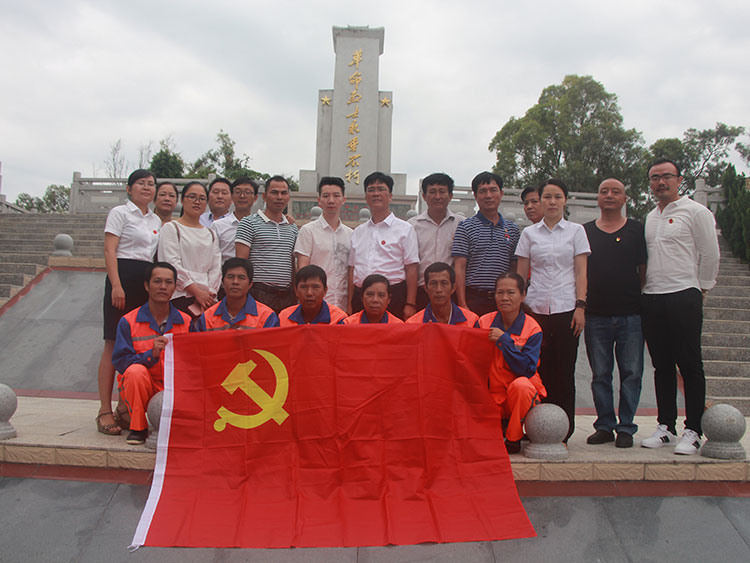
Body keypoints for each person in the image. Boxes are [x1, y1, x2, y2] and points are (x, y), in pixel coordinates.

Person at [640, 158, 720, 455]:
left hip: (684, 293)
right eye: (655, 178)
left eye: (666, 176)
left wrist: (703, 286)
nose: (660, 182)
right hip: (653, 296)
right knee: (661, 365)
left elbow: (710, 253)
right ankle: (666, 426)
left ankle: (694, 429)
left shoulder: (696, 212)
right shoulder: (650, 217)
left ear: (679, 179)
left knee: (689, 364)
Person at [516, 179, 590, 441]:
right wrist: (519, 310)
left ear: (564, 200)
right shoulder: (529, 234)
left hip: (567, 308)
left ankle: (564, 430)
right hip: (536, 310)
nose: (551, 202)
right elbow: (521, 275)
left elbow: (581, 272)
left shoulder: (576, 231)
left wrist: (580, 306)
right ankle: (536, 427)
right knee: (538, 369)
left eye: (557, 196)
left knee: (564, 370)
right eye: (546, 197)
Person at [97, 169, 161, 436]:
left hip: (144, 282)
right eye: (141, 183)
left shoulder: (156, 219)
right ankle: (104, 410)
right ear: (129, 188)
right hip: (122, 278)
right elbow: (109, 249)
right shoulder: (120, 213)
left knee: (136, 345)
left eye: (151, 184)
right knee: (113, 343)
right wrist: (116, 284)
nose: (147, 187)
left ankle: (125, 407)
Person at [583, 179, 647, 448]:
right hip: (595, 314)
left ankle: (626, 427)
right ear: (597, 198)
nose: (609, 195)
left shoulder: (636, 230)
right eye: (604, 191)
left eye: (615, 192)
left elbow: (643, 271)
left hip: (630, 314)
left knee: (631, 372)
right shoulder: (585, 231)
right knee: (600, 373)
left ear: (625, 198)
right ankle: (605, 425)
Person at [112, 262, 192, 445]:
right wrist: (150, 355)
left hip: (174, 385)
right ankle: (138, 428)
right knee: (135, 372)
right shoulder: (128, 321)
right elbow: (121, 362)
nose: (163, 286)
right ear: (147, 286)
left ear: (175, 287)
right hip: (144, 386)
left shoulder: (186, 321)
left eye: (168, 282)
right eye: (157, 281)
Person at [479, 273, 546, 454]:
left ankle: (513, 438)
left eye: (511, 292)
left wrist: (505, 341)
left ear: (523, 295)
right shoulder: (483, 322)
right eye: (500, 292)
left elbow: (526, 369)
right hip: (492, 396)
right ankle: (498, 426)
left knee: (522, 385)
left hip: (518, 396)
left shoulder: (532, 328)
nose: (504, 298)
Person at [348, 172, 419, 320]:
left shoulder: (405, 229)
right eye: (371, 190)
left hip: (393, 296)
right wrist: (349, 303)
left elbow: (412, 268)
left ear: (390, 196)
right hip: (361, 296)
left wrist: (410, 303)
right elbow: (352, 269)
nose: (376, 193)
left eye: (381, 189)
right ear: (366, 197)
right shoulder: (358, 232)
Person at [452, 171, 520, 316]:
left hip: (503, 298)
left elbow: (515, 267)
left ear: (501, 194)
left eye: (493, 190)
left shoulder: (513, 229)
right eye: (483, 191)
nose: (488, 195)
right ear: (476, 196)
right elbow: (460, 267)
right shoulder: (465, 227)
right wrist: (462, 304)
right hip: (474, 298)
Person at [235, 176, 298, 313]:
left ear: (288, 197)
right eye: (274, 192)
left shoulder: (292, 227)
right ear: (264, 196)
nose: (279, 197)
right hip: (258, 293)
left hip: (286, 295)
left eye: (284, 193)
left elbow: (292, 263)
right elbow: (240, 263)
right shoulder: (248, 223)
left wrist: (295, 291)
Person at [158, 182, 222, 317]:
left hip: (207, 299)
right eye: (192, 197)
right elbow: (171, 263)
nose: (197, 202)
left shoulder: (211, 233)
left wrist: (210, 293)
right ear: (182, 200)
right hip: (181, 295)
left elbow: (216, 267)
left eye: (202, 198)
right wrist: (196, 291)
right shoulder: (171, 228)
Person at [294, 176, 353, 310]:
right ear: (319, 200)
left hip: (342, 304)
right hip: (315, 304)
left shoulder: (351, 234)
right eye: (326, 196)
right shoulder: (308, 231)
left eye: (336, 196)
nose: (331, 200)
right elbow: (302, 270)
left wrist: (350, 304)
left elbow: (351, 272)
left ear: (343, 200)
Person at [408, 173, 464, 310]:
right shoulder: (412, 226)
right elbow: (410, 265)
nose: (437, 196)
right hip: (421, 291)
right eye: (432, 192)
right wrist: (410, 302)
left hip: (450, 292)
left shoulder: (461, 224)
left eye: (442, 192)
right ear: (424, 196)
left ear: (450, 195)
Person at [193, 257, 279, 331]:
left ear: (250, 284)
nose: (235, 282)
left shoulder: (266, 316)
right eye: (230, 277)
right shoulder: (208, 317)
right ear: (222, 282)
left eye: (241, 278)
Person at [406, 262, 479, 327]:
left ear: (453, 288)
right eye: (433, 283)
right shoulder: (413, 324)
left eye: (444, 283)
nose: (439, 290)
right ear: (426, 288)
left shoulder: (472, 321)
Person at [278, 265, 348, 326]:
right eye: (304, 287)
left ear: (325, 291)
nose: (309, 293)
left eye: (315, 287)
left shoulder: (338, 319)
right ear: (296, 291)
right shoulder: (284, 317)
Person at [213, 177, 259, 263]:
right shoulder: (218, 226)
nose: (242, 196)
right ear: (232, 196)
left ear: (255, 198)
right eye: (238, 192)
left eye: (247, 192)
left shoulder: (260, 226)